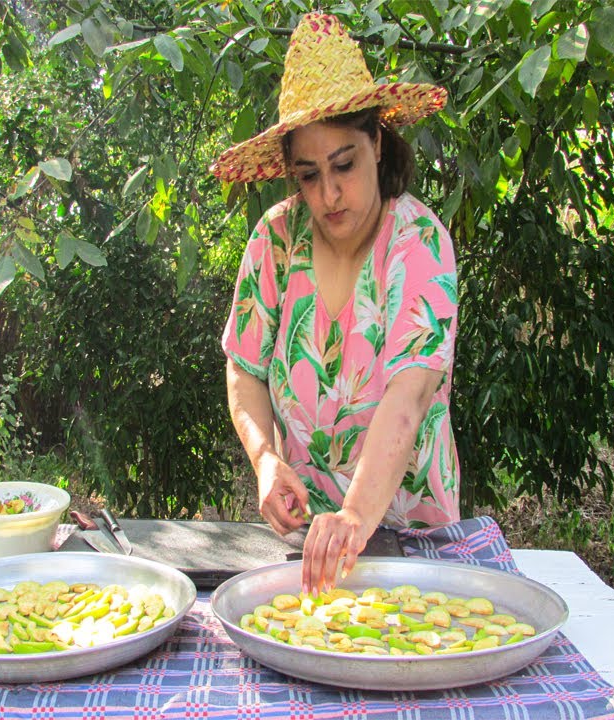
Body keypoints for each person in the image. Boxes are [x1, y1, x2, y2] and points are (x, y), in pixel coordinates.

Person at [210, 13, 459, 596]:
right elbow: (244, 369)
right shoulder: (275, 241)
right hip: (304, 547)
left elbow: (410, 395)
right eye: (308, 175)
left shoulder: (418, 244)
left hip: (410, 536)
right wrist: (266, 459)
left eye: (344, 164)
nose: (328, 194)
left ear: (376, 142)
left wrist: (353, 518)